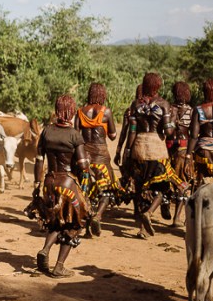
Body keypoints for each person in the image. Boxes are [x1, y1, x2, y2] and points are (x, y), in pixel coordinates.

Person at [27, 94, 90, 277]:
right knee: (76, 223)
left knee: (56, 220)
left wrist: (37, 184)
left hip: (48, 183)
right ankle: (59, 266)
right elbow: (84, 167)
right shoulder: (74, 135)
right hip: (68, 184)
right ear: (71, 112)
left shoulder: (46, 131)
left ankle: (45, 249)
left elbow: (39, 160)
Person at [125, 73, 187, 239]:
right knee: (161, 187)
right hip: (156, 149)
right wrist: (174, 122)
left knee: (141, 187)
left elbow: (132, 131)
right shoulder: (164, 104)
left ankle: (142, 229)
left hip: (138, 147)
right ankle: (150, 213)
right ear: (158, 86)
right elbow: (168, 131)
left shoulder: (135, 104)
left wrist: (127, 151)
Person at [74, 83, 120, 237]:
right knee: (106, 190)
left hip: (84, 156)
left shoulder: (80, 112)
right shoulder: (106, 112)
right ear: (102, 95)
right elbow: (113, 135)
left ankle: (87, 228)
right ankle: (98, 215)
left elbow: (75, 137)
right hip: (101, 156)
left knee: (86, 192)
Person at [166, 81, 194, 226]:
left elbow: (165, 130)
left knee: (167, 179)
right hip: (183, 148)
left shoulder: (169, 109)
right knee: (183, 181)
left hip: (168, 148)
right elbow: (194, 133)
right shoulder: (191, 111)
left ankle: (165, 204)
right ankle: (177, 217)